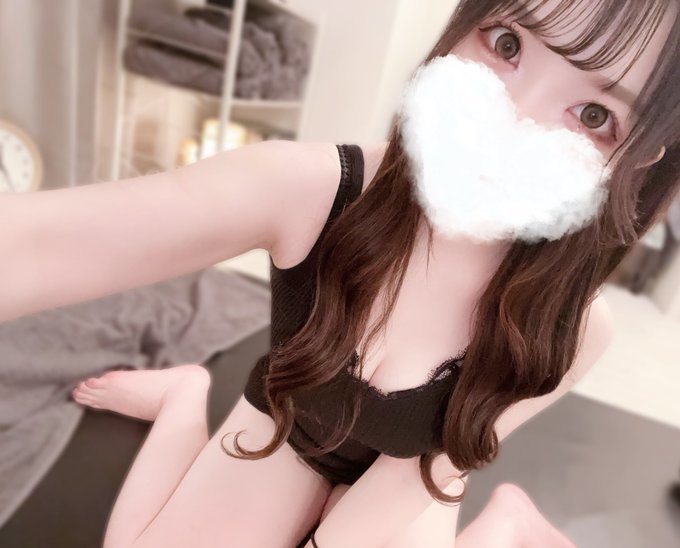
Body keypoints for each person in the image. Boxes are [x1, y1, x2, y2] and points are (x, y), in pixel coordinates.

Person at [3, 0, 679, 546]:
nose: (511, 124)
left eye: (594, 116)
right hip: (291, 429)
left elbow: (433, 462)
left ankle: (504, 525)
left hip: (410, 476)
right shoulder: (311, 190)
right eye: (506, 45)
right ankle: (184, 394)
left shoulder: (575, 328)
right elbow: (42, 244)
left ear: (641, 155)